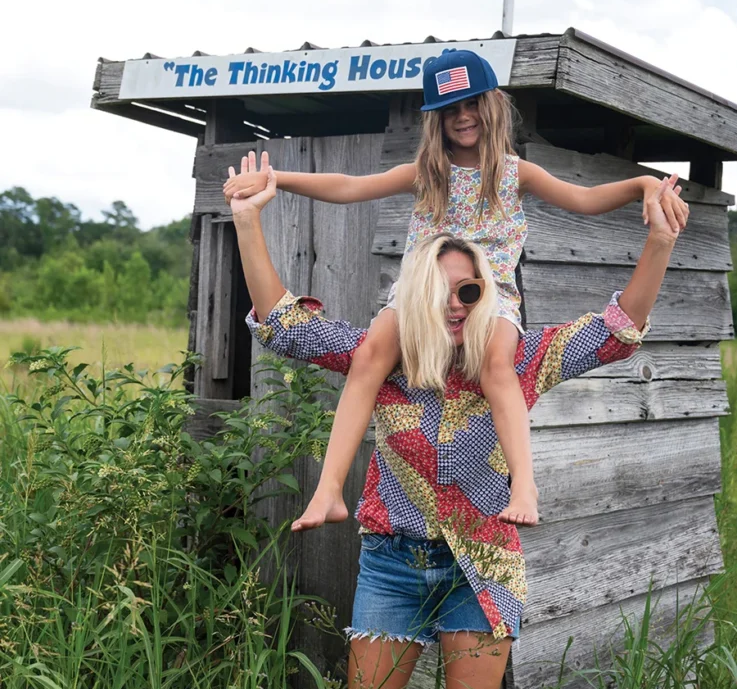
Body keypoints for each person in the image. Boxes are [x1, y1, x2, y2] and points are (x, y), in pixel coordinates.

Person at [230, 157, 686, 689]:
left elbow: (615, 330)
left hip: (482, 569)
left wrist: (658, 245)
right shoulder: (377, 361)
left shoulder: (518, 359)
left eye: (469, 290)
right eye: (439, 290)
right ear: (411, 295)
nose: (455, 304)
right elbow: (283, 324)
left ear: (486, 294)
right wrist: (249, 221)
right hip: (392, 566)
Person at [224, 50, 688, 533]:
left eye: (471, 105)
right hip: (420, 292)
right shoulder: (427, 173)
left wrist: (641, 183)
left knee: (497, 365)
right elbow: (349, 185)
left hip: (489, 298)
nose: (463, 117)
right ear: (436, 120)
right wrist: (277, 178)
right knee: (368, 358)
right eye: (450, 109)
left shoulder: (516, 173)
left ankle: (524, 484)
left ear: (491, 106)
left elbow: (586, 200)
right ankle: (329, 491)